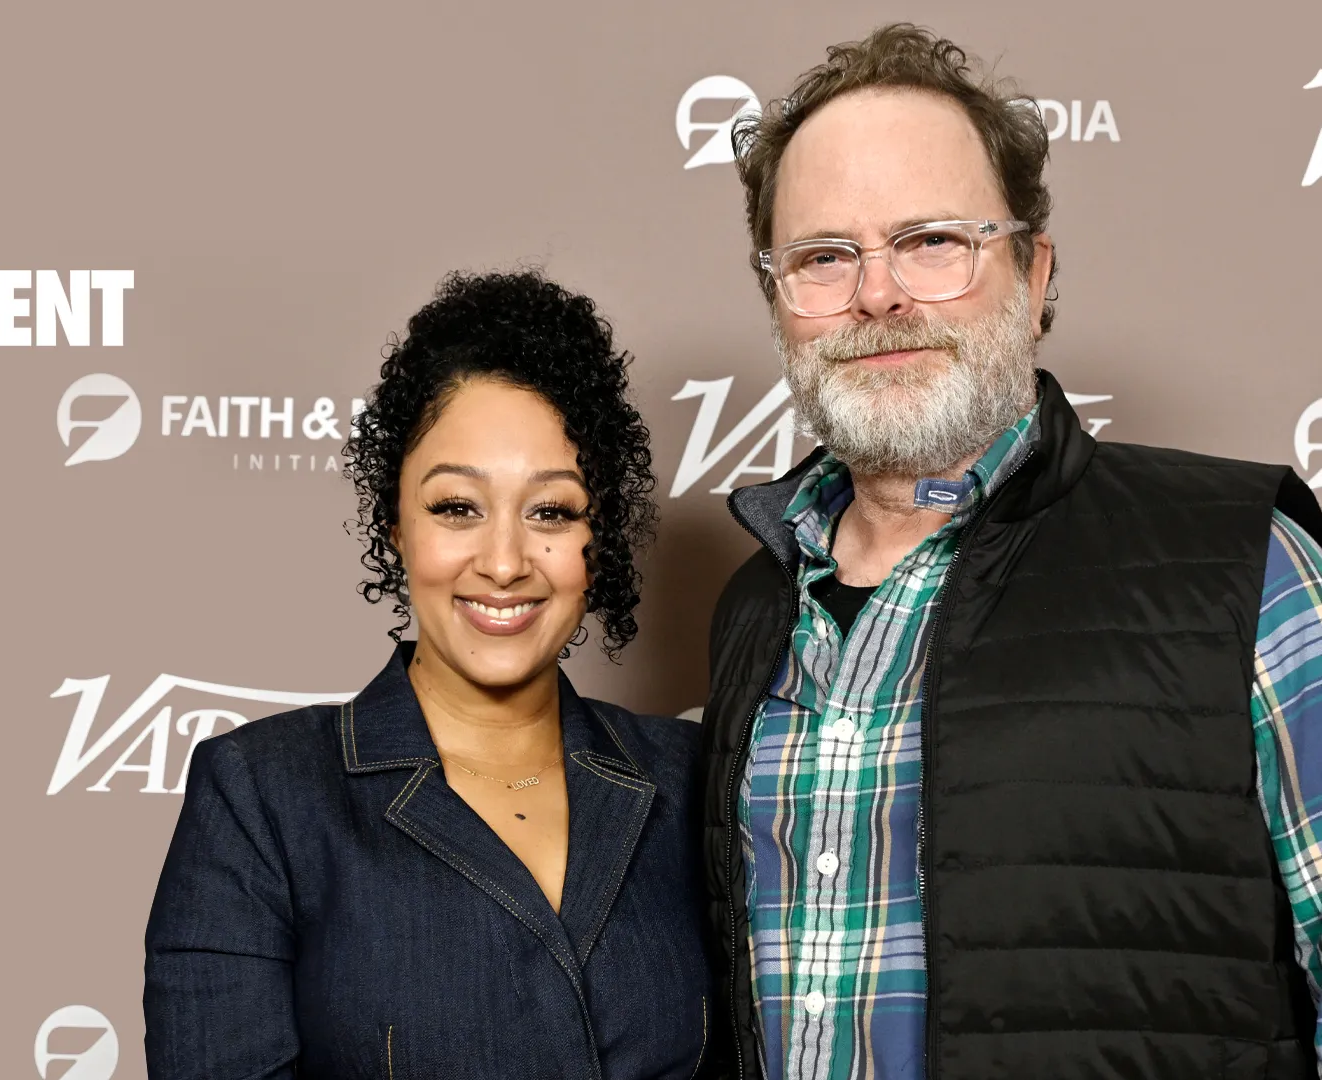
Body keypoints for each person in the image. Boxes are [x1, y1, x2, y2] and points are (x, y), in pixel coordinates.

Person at [699, 24, 1322, 1080]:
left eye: (933, 241)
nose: (879, 294)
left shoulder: (1248, 567)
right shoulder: (756, 606)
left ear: (1034, 275)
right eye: (824, 257)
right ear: (780, 304)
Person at [144, 270, 712, 1078]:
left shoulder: (692, 780)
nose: (505, 563)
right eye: (457, 508)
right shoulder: (263, 794)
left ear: (600, 541)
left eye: (551, 512)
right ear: (397, 526)